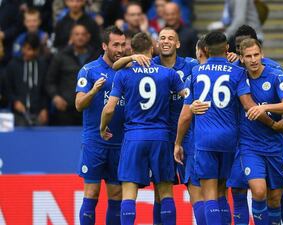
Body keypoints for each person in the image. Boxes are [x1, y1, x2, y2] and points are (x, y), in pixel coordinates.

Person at [174, 31, 278, 225]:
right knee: (223, 190)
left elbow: (186, 115)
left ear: (205, 50)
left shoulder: (196, 72)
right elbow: (248, 105)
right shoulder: (237, 73)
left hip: (204, 139)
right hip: (229, 140)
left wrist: (178, 143)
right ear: (227, 49)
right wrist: (272, 123)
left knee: (210, 193)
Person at [100, 32, 186, 225]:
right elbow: (186, 95)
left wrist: (102, 127)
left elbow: (110, 107)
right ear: (152, 49)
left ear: (131, 49)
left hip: (134, 137)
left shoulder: (123, 74)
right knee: (165, 192)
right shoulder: (168, 73)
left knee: (129, 194)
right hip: (161, 137)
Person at [239, 38, 283, 225]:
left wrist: (264, 107)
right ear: (242, 58)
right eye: (248, 56)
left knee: (274, 198)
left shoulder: (275, 75)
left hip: (274, 146)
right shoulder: (239, 78)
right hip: (250, 146)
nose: (253, 60)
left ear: (262, 54)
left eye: (256, 55)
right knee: (259, 191)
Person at [74, 26, 126, 225]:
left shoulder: (128, 70)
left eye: (123, 44)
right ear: (105, 45)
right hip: (95, 142)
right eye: (115, 45)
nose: (120, 49)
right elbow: (79, 104)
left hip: (120, 143)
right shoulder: (89, 70)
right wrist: (94, 91)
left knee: (116, 195)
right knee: (92, 193)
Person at [46, 24, 99, 125]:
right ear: (71, 37)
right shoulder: (61, 56)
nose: (80, 37)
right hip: (66, 109)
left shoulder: (96, 56)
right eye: (77, 34)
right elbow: (50, 81)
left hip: (91, 107)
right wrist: (56, 97)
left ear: (88, 37)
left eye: (83, 34)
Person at [6, 33, 48, 126]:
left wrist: (44, 108)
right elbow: (8, 88)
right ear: (23, 47)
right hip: (18, 114)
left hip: (39, 113)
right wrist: (15, 101)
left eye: (34, 50)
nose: (31, 52)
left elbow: (45, 89)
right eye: (28, 49)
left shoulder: (43, 65)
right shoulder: (13, 65)